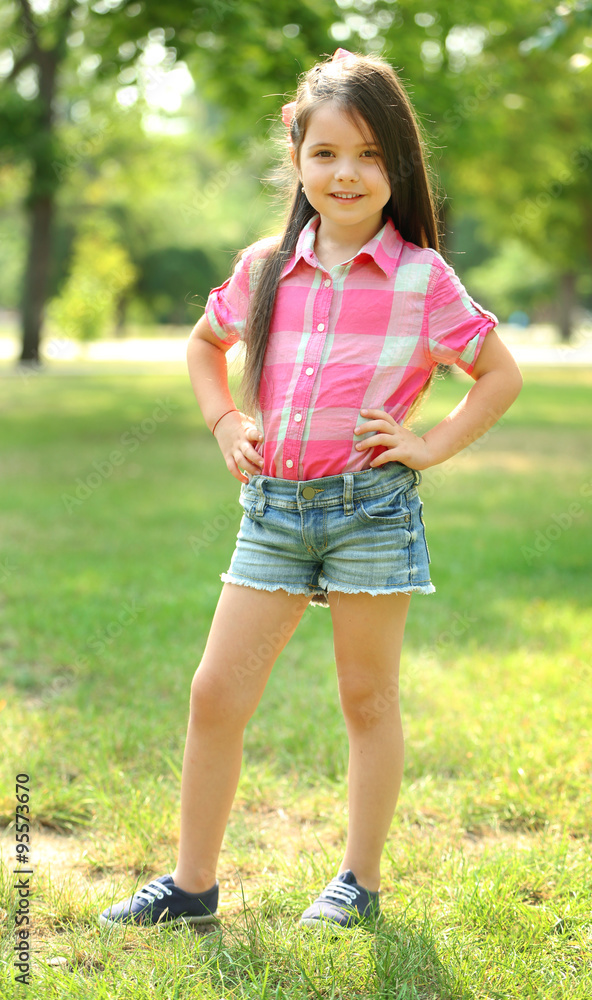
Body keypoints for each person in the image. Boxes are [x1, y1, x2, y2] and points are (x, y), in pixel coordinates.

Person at [99, 47, 522, 932]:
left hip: (370, 511)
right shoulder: (264, 268)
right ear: (296, 153)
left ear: (398, 166)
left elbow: (497, 374)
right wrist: (225, 423)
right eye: (326, 152)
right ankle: (191, 886)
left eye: (370, 154)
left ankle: (356, 883)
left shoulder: (420, 279)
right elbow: (202, 346)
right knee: (217, 692)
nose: (346, 173)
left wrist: (429, 445)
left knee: (366, 698)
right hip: (276, 515)